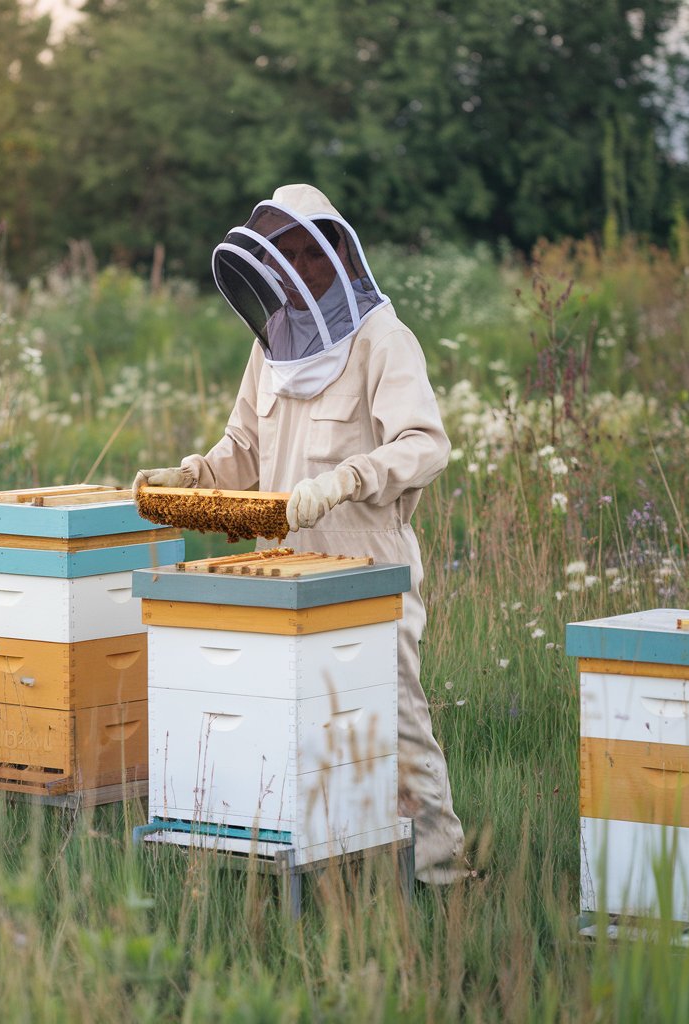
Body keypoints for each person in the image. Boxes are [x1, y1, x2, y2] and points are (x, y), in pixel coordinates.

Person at [134, 183, 467, 884]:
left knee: (392, 714)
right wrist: (193, 476)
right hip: (282, 571)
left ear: (338, 249)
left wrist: (351, 477)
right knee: (296, 721)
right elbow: (242, 449)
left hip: (367, 569)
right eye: (279, 255)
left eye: (303, 251)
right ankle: (334, 858)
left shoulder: (384, 340)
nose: (293, 268)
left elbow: (425, 444)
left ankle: (437, 866)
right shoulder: (274, 344)